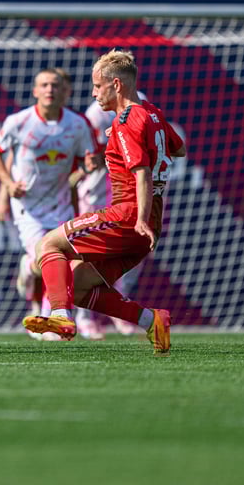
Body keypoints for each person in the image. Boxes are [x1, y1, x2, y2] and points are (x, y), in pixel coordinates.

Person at [23, 49, 184, 356]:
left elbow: (142, 172)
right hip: (151, 221)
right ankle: (153, 321)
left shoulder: (127, 120)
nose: (94, 93)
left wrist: (138, 217)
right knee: (81, 286)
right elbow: (180, 148)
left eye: (98, 86)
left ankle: (59, 318)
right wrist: (126, 136)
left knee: (48, 246)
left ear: (117, 85)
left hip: (128, 215)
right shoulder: (151, 113)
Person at [0, 69, 95, 341]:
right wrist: (8, 184)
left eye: (55, 85)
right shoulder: (19, 121)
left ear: (65, 91)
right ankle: (48, 312)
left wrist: (86, 168)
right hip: (28, 207)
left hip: (61, 205)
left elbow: (87, 160)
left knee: (64, 261)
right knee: (46, 258)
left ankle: (47, 314)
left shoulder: (77, 125)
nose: (50, 89)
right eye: (44, 85)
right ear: (35, 91)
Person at [72, 90, 149, 337]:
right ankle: (84, 317)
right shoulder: (95, 115)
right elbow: (84, 158)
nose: (96, 91)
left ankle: (120, 311)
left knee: (130, 251)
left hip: (125, 192)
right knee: (89, 253)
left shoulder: (140, 106)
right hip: (96, 193)